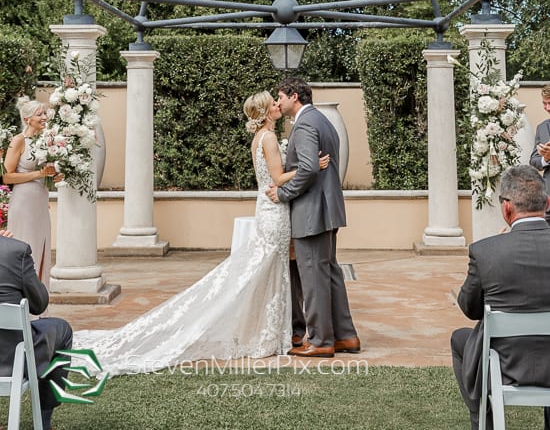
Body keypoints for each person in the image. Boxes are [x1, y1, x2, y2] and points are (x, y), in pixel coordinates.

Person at [73, 90, 327, 374]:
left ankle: (267, 331)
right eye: (274, 102)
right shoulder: (267, 138)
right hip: (273, 209)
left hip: (268, 208)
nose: (278, 104)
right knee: (262, 271)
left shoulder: (261, 137)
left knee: (264, 272)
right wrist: (310, 166)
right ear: (267, 111)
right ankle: (263, 333)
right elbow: (278, 178)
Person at [266, 77, 359, 358]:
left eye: (280, 97)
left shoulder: (305, 123)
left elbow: (307, 168)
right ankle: (345, 337)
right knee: (329, 273)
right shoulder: (323, 120)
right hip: (327, 209)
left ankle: (320, 341)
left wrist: (283, 194)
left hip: (312, 211)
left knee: (314, 276)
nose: (278, 102)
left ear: (294, 96)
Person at [451, 164, 550, 430]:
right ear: (547, 202)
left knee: (460, 338)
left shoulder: (486, 252)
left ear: (507, 208)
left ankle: (483, 420)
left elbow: (470, 308)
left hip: (505, 367)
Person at [0, 229, 73, 430]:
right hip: (11, 362)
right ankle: (44, 421)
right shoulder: (15, 251)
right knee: (62, 329)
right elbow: (39, 304)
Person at [2, 96, 61, 290]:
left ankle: (40, 305)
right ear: (27, 119)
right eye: (40, 114)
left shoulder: (46, 141)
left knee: (41, 249)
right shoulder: (19, 141)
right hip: (23, 203)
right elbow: (7, 177)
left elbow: (46, 177)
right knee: (25, 251)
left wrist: (56, 176)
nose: (44, 117)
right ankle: (22, 305)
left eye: (45, 113)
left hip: (40, 203)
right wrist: (39, 173)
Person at [529, 83, 550, 223]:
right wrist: (546, 159)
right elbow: (533, 160)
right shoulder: (541, 128)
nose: (547, 108)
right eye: (544, 103)